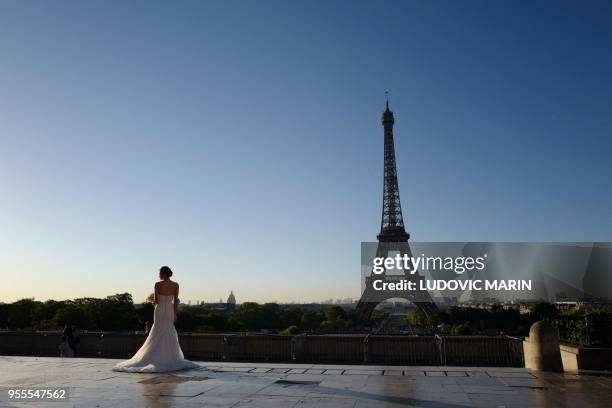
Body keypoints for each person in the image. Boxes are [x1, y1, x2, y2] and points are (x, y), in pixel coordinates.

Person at [112, 266, 199, 372]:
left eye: (160, 273)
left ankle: (153, 356)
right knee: (169, 331)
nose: (159, 275)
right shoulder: (176, 285)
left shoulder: (158, 284)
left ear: (164, 274)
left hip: (160, 309)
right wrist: (175, 313)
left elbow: (156, 300)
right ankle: (168, 358)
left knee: (157, 331)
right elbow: (176, 301)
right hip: (170, 310)